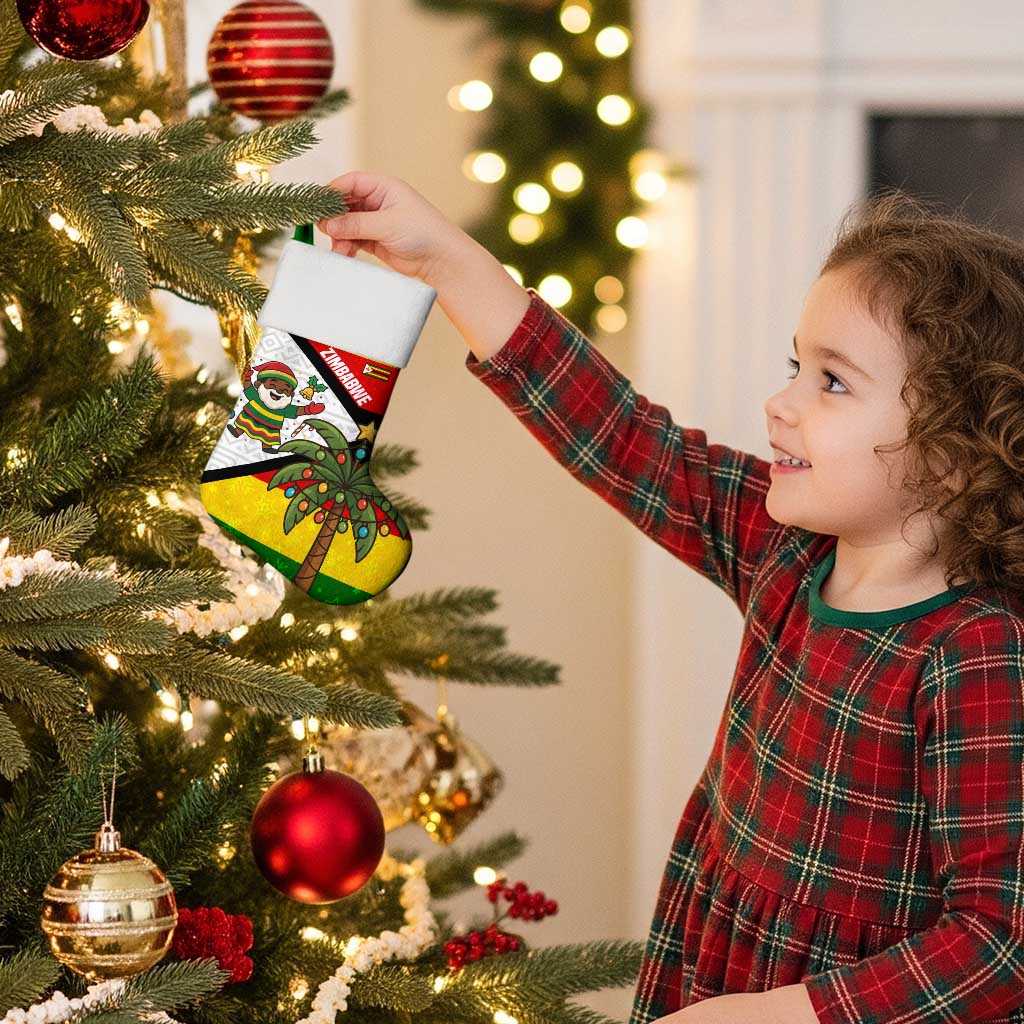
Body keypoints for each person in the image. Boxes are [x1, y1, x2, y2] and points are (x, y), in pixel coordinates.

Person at [318, 173, 1024, 1024]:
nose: (782, 403)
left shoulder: (979, 652)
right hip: (716, 963)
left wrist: (777, 1016)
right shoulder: (786, 552)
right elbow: (621, 435)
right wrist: (451, 262)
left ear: (955, 453)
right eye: (797, 367)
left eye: (832, 383)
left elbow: (997, 942)